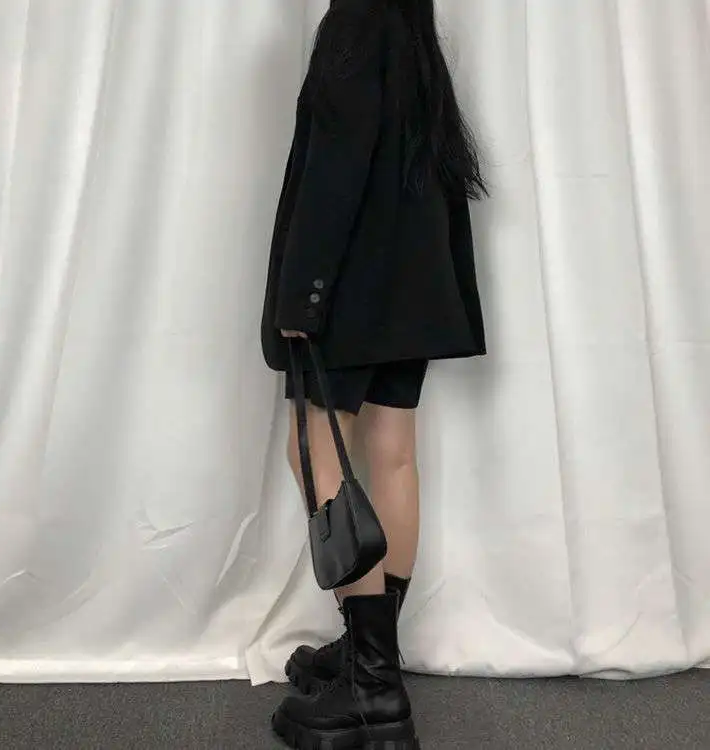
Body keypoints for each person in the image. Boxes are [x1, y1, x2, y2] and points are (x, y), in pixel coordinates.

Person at [260, 0, 488, 747]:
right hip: (408, 282)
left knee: (314, 452)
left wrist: (305, 294)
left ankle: (371, 684)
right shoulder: (407, 19)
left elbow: (336, 162)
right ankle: (373, 661)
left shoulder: (358, 18)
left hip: (352, 283)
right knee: (390, 454)